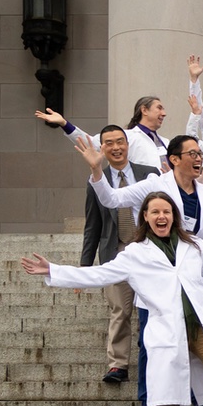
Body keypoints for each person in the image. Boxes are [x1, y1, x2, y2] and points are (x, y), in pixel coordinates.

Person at [20, 191, 203, 406]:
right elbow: (98, 275)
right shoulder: (134, 253)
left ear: (174, 216)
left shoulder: (194, 246)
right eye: (154, 212)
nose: (161, 217)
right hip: (166, 332)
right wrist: (53, 271)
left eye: (166, 211)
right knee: (163, 396)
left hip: (202, 327)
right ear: (145, 217)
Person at [81, 125, 160, 384]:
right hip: (116, 251)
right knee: (120, 309)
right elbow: (92, 225)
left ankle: (155, 355)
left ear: (127, 144)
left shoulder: (149, 174)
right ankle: (118, 364)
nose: (116, 148)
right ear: (102, 148)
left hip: (149, 249)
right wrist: (85, 265)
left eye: (120, 142)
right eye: (109, 144)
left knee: (154, 307)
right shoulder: (97, 180)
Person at [35, 97, 169, 170]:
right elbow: (91, 143)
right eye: (159, 108)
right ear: (144, 110)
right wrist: (64, 124)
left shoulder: (166, 142)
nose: (164, 113)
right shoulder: (126, 136)